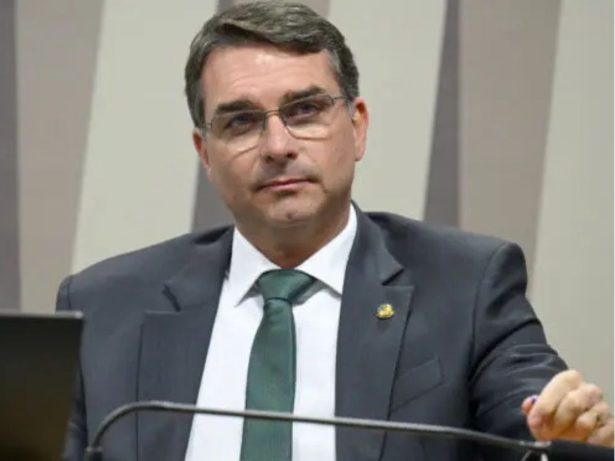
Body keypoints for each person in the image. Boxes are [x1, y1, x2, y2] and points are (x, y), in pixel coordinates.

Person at [57, 2, 613, 460]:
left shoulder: (465, 286)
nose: (278, 146)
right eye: (241, 121)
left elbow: (534, 418)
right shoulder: (105, 306)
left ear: (357, 126)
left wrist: (563, 435)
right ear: (205, 152)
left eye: (304, 110)